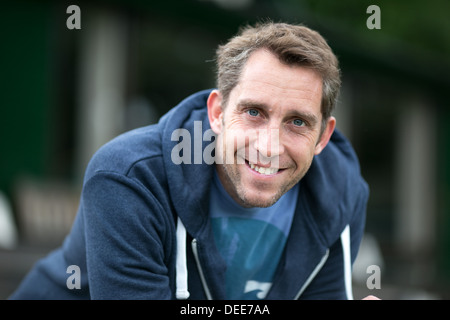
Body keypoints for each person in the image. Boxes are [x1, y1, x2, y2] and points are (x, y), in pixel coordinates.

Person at [9, 21, 369, 300]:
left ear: (323, 136)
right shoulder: (130, 177)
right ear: (217, 112)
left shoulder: (342, 193)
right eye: (255, 112)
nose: (270, 147)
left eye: (298, 122)